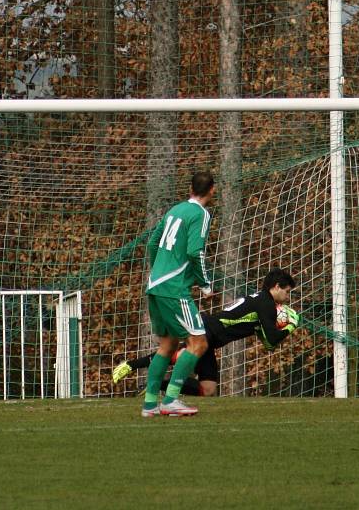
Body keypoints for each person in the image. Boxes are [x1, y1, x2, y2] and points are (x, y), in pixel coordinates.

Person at [114, 268, 300, 396]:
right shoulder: (266, 303)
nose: (287, 297)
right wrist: (291, 325)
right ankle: (131, 365)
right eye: (287, 291)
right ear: (276, 286)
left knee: (208, 389)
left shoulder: (261, 300)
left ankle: (151, 386)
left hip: (211, 336)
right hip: (207, 330)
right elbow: (274, 340)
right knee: (177, 354)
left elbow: (268, 344)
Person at [140, 171, 220, 417]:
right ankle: (171, 399)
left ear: (190, 189)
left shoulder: (174, 210)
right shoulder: (201, 214)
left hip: (155, 284)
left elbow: (152, 243)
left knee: (168, 345)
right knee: (199, 342)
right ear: (212, 190)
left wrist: (159, 270)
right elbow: (196, 252)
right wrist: (205, 285)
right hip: (174, 289)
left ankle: (150, 404)